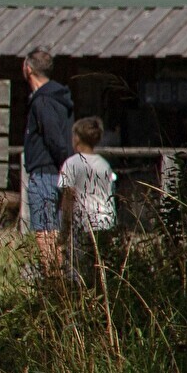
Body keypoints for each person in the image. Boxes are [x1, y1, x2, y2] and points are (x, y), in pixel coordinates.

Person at [18, 46, 73, 280]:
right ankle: (58, 281)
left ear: (28, 69)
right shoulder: (59, 98)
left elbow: (54, 138)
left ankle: (53, 281)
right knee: (54, 230)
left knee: (45, 231)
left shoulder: (42, 102)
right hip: (58, 173)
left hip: (45, 173)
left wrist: (64, 165)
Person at [61, 116, 118, 289]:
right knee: (101, 270)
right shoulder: (104, 164)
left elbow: (68, 197)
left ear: (77, 138)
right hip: (106, 222)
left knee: (79, 272)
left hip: (83, 224)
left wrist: (64, 228)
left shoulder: (72, 164)